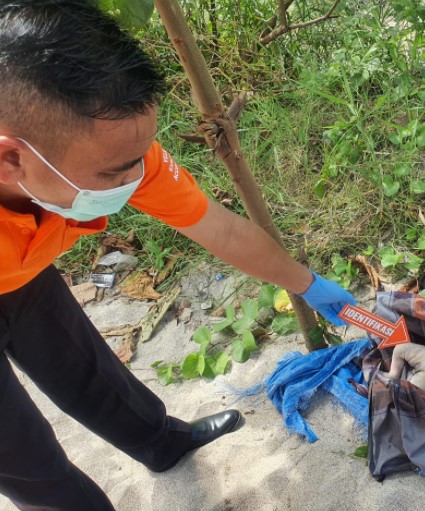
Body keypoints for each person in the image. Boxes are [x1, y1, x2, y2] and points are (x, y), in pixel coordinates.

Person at [0, 1, 357, 509]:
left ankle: (161, 441)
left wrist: (309, 284)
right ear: (11, 158)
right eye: (114, 173)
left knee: (81, 363)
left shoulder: (113, 152)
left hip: (22, 272)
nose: (135, 177)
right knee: (21, 450)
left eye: (137, 158)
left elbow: (222, 230)